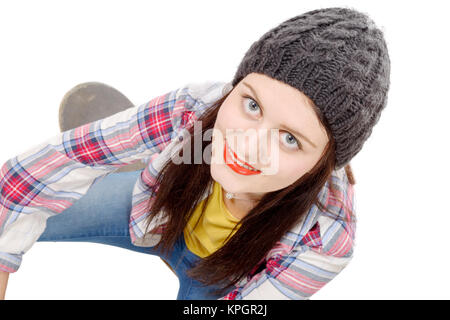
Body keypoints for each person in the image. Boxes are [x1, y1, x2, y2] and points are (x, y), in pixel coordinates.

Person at [0, 6, 390, 300]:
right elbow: (24, 177)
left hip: (219, 278)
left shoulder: (325, 239)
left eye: (290, 139)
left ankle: (148, 161)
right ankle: (148, 165)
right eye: (252, 105)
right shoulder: (195, 108)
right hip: (155, 211)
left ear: (326, 162)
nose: (245, 145)